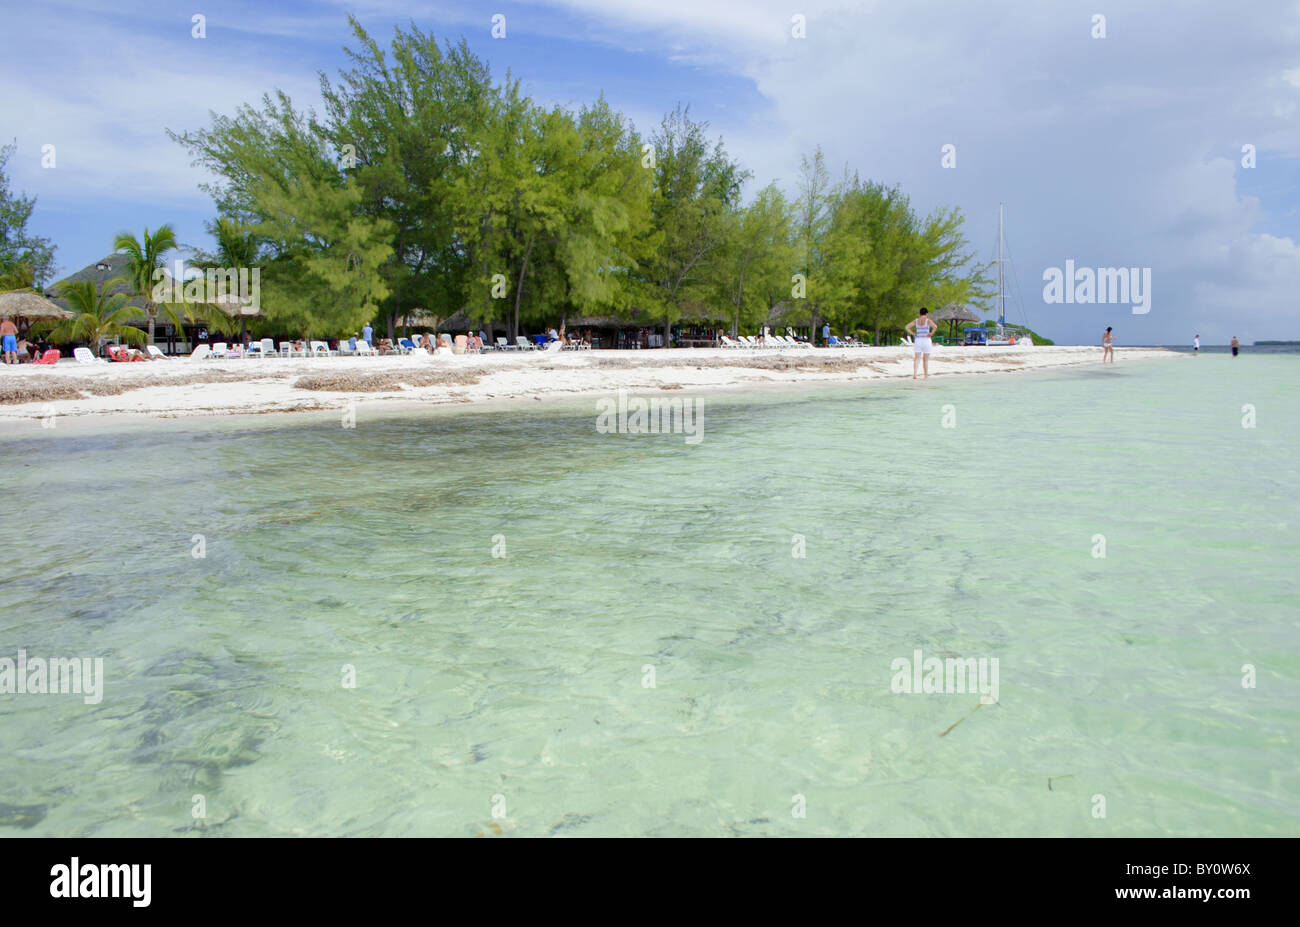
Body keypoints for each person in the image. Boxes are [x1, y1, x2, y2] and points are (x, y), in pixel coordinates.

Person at [904, 307, 936, 379]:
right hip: (926, 340)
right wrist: (931, 333)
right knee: (925, 359)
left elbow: (907, 327)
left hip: (918, 340)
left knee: (917, 358)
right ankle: (925, 375)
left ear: (920, 313)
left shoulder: (916, 321)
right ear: (927, 314)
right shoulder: (927, 320)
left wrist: (913, 333)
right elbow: (935, 327)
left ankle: (915, 374)